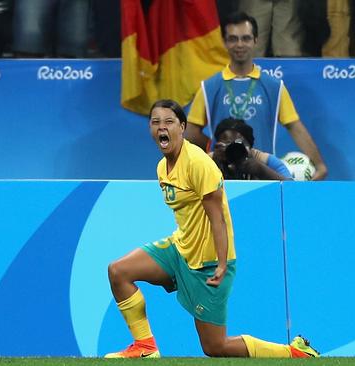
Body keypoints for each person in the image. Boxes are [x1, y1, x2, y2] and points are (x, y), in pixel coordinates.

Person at [105, 99, 318, 359]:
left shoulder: (198, 163)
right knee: (119, 271)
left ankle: (295, 353)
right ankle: (145, 347)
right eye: (156, 122)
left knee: (215, 347)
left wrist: (220, 265)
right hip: (179, 250)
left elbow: (218, 218)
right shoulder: (162, 167)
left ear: (182, 127)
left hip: (208, 263)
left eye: (169, 122)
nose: (162, 127)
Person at [186, 11, 328, 181]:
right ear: (224, 42)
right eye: (233, 39)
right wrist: (217, 149)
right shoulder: (209, 87)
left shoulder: (274, 86)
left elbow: (295, 127)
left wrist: (319, 165)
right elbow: (190, 133)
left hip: (263, 176)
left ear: (255, 41)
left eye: (245, 38)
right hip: (221, 179)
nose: (240, 44)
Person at [211, 117, 292, 180]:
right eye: (227, 142)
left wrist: (261, 170)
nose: (233, 149)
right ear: (217, 145)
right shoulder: (207, 160)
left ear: (250, 147)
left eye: (238, 143)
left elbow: (293, 188)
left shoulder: (262, 159)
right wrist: (213, 165)